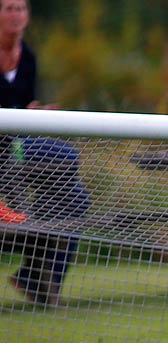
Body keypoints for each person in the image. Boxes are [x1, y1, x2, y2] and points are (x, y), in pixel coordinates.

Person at [0, 0, 90, 306]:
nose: (16, 15)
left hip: (19, 147)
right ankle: (34, 261)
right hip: (7, 148)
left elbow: (24, 111)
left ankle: (33, 277)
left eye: (21, 9)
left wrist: (35, 112)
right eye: (8, 8)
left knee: (78, 198)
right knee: (68, 158)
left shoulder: (29, 59)